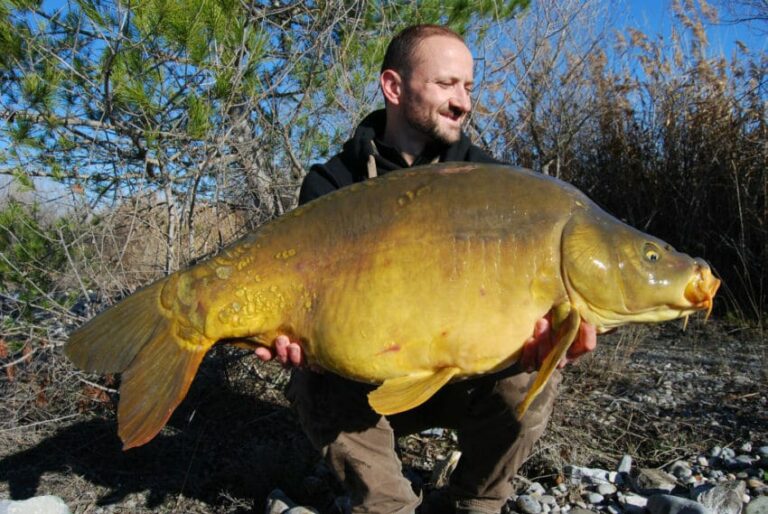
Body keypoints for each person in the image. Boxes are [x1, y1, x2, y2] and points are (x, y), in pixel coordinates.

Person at [255, 24, 597, 514]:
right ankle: (387, 505)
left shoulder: (490, 182)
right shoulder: (333, 183)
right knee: (315, 377)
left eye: (468, 87)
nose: (463, 102)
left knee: (533, 374)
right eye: (446, 85)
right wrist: (297, 337)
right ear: (393, 87)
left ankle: (473, 501)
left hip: (460, 378)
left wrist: (552, 339)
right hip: (369, 381)